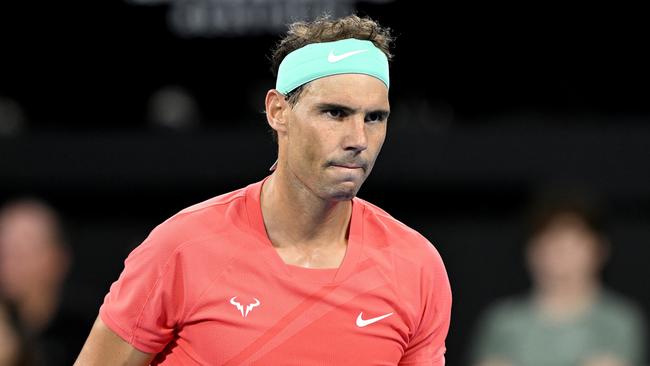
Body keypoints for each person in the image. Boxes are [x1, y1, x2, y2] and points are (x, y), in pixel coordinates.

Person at [75, 14, 452, 365]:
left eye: (374, 118)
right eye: (335, 113)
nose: (358, 139)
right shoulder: (180, 249)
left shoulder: (417, 266)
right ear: (278, 112)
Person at [470, 193, 645, 366]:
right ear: (531, 251)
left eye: (571, 245)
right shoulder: (503, 322)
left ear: (599, 250)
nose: (560, 255)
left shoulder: (619, 321)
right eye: (549, 244)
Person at [0, 198, 89, 366]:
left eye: (20, 250)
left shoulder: (83, 336)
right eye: (3, 250)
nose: (7, 262)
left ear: (57, 259)